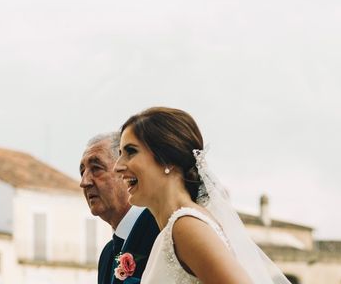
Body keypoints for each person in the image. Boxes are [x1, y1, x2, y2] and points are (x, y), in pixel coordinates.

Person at [114, 107, 291, 284]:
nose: (117, 166)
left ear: (167, 158)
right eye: (120, 154)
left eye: (131, 151)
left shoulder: (186, 227)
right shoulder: (174, 230)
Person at [80, 132, 159, 284]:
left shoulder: (160, 229)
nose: (84, 182)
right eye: (82, 171)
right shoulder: (107, 254)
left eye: (96, 168)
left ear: (127, 172)